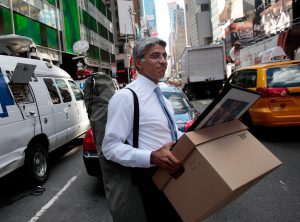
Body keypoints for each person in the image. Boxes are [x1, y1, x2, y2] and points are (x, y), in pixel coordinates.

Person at [102, 37, 183, 222]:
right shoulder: (126, 97)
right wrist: (151, 157)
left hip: (173, 176)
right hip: (150, 182)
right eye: (155, 56)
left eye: (164, 55)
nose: (163, 61)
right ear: (139, 63)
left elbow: (171, 133)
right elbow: (110, 147)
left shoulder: (161, 96)